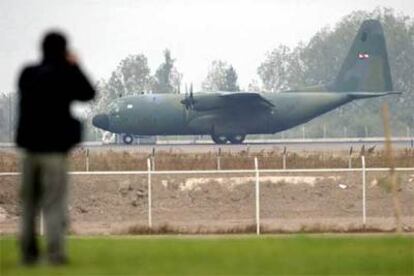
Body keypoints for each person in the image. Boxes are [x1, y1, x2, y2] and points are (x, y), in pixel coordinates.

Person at [16, 31, 95, 265]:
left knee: (29, 204)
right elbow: (88, 92)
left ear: (41, 48)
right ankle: (55, 253)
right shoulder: (65, 75)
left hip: (29, 151)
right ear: (63, 51)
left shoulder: (27, 74)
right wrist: (74, 65)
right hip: (54, 152)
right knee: (53, 203)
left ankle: (28, 254)